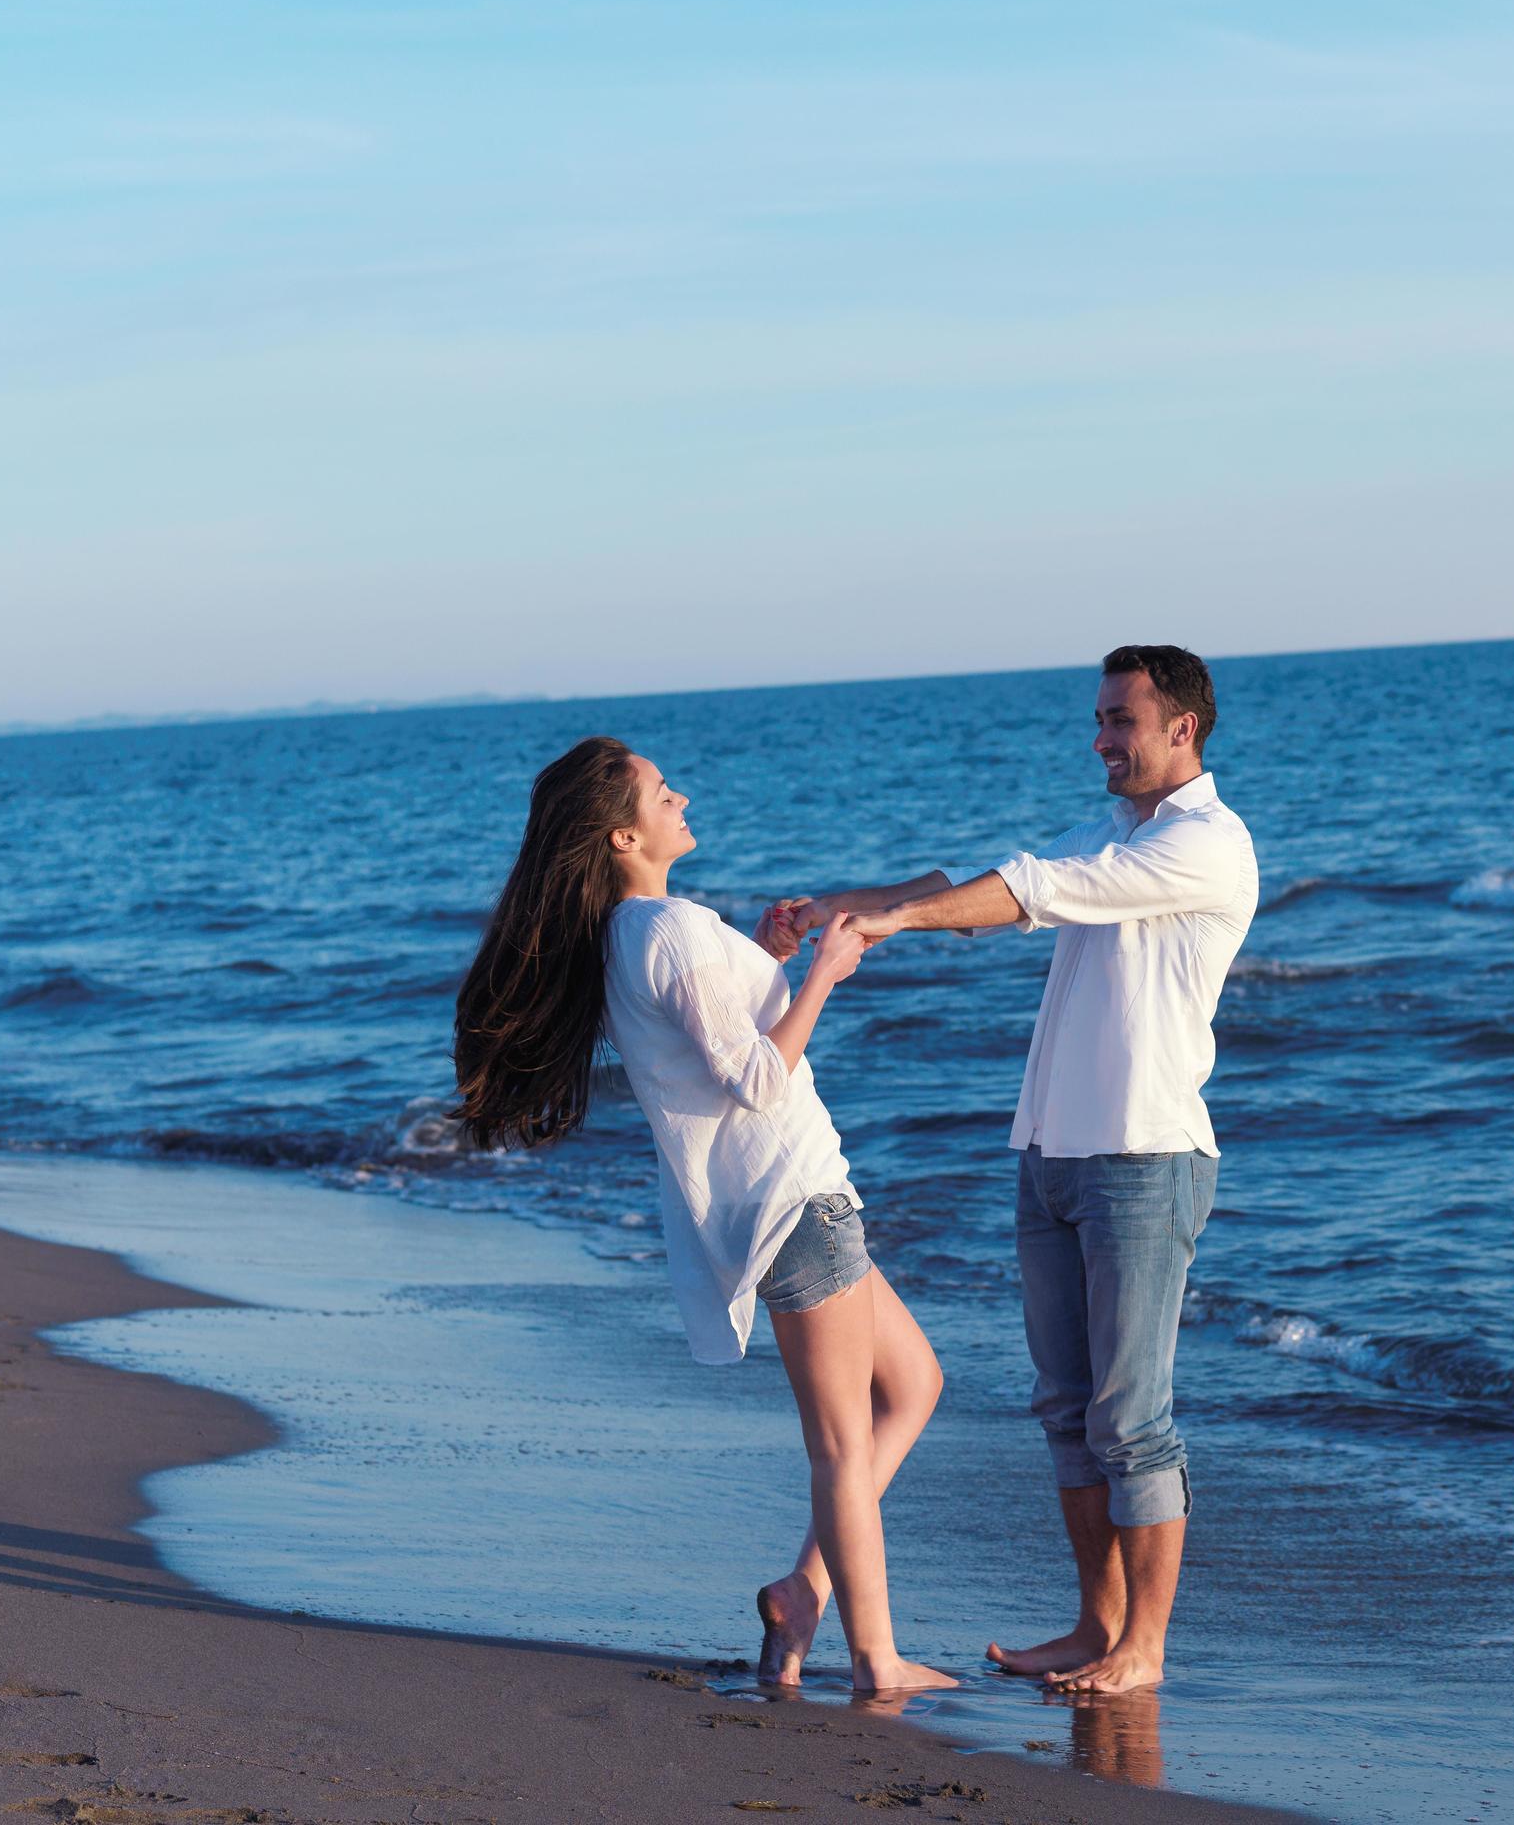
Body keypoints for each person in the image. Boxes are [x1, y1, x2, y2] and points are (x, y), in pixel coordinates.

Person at [787, 645, 1256, 1695]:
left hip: (1144, 1158)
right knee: (1066, 1407)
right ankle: (1096, 1626)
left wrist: (901, 920)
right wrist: (843, 905)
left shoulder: (1209, 845)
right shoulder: (1112, 829)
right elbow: (979, 883)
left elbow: (1034, 893)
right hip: (1050, 1153)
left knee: (1133, 1416)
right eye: (1098, 716)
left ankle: (1146, 1644)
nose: (1100, 736)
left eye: (1120, 719)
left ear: (1182, 728)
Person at [451, 736, 955, 1699]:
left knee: (916, 1383)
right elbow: (759, 1080)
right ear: (622, 832)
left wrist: (766, 955)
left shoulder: (642, 935)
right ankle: (877, 1662)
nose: (681, 794)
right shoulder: (664, 930)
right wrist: (826, 973)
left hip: (788, 1199)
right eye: (659, 788)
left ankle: (801, 1592)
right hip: (790, 1200)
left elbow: (715, 1047)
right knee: (845, 1448)